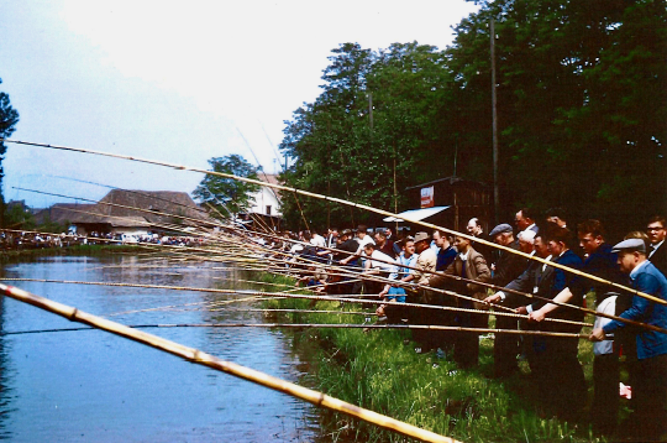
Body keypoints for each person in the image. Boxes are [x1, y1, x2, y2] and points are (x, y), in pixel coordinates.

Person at [590, 238, 667, 441]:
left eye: (621, 257)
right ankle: (644, 430)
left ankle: (650, 434)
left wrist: (606, 329)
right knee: (644, 393)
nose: (617, 262)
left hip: (654, 345)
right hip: (646, 343)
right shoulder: (640, 274)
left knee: (651, 394)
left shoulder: (647, 275)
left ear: (636, 256)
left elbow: (638, 310)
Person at [517, 227, 586, 423]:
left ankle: (572, 407)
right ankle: (564, 404)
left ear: (560, 244)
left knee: (565, 361)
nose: (548, 247)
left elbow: (566, 292)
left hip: (565, 319)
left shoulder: (570, 261)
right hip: (555, 317)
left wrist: (542, 311)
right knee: (558, 361)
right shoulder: (562, 260)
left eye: (551, 244)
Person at [435, 235, 491, 368]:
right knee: (462, 330)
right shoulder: (458, 258)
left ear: (468, 241)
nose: (455, 244)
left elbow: (485, 275)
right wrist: (429, 281)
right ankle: (460, 360)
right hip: (462, 300)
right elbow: (447, 273)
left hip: (473, 301)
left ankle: (470, 363)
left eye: (458, 241)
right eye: (454, 241)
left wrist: (469, 287)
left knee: (470, 332)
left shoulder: (475, 257)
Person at [487, 223, 529, 377]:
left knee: (505, 333)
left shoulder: (513, 251)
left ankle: (505, 368)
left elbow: (503, 275)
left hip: (510, 297)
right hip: (506, 294)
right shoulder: (507, 251)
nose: (495, 241)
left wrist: (490, 279)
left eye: (496, 238)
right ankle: (505, 366)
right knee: (504, 332)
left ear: (504, 236)